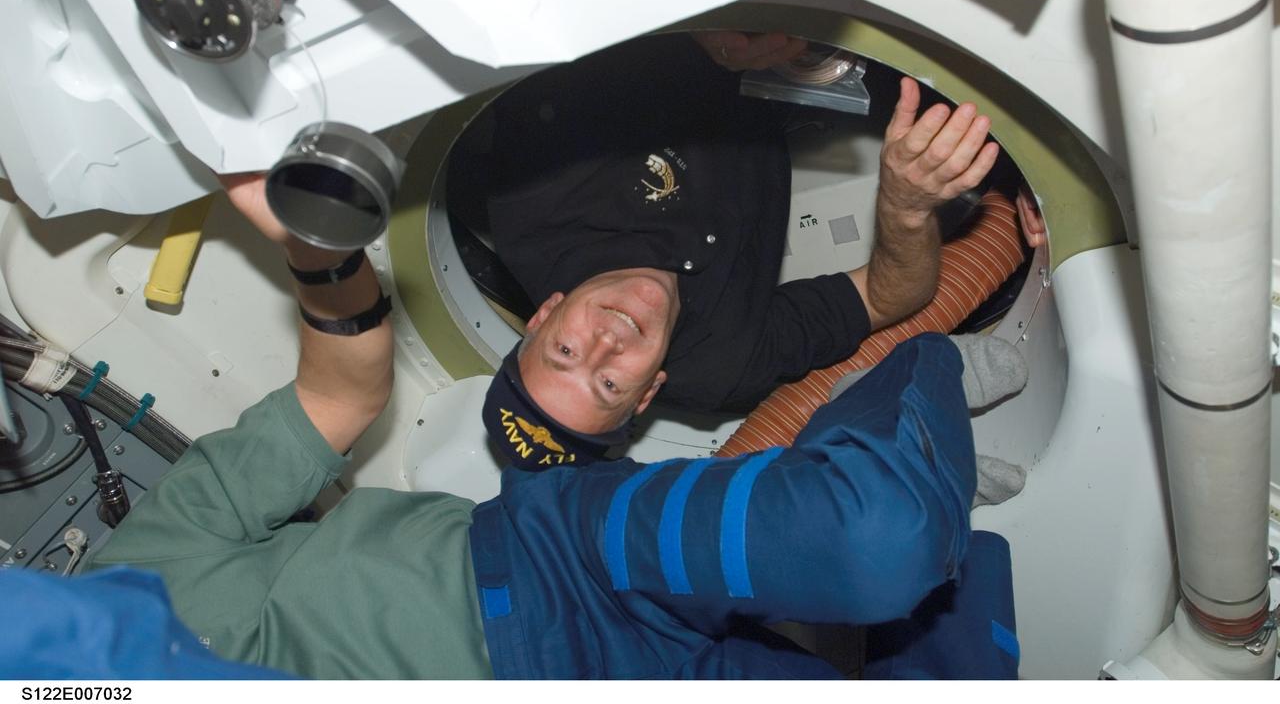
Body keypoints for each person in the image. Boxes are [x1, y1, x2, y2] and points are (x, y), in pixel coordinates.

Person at [77, 174, 1024, 680]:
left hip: (532, 567)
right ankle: (950, 516)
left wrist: (322, 253)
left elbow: (339, 397)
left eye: (594, 365)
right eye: (584, 362)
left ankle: (925, 392)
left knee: (872, 539)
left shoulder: (142, 580)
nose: (600, 345)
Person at [480, 30, 1002, 468]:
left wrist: (715, 35)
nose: (606, 343)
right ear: (648, 392)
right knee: (986, 122)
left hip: (695, 10)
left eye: (566, 352)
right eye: (610, 385)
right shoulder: (720, 368)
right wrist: (905, 207)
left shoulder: (534, 195)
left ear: (545, 314)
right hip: (785, 93)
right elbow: (887, 300)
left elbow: (583, 20)